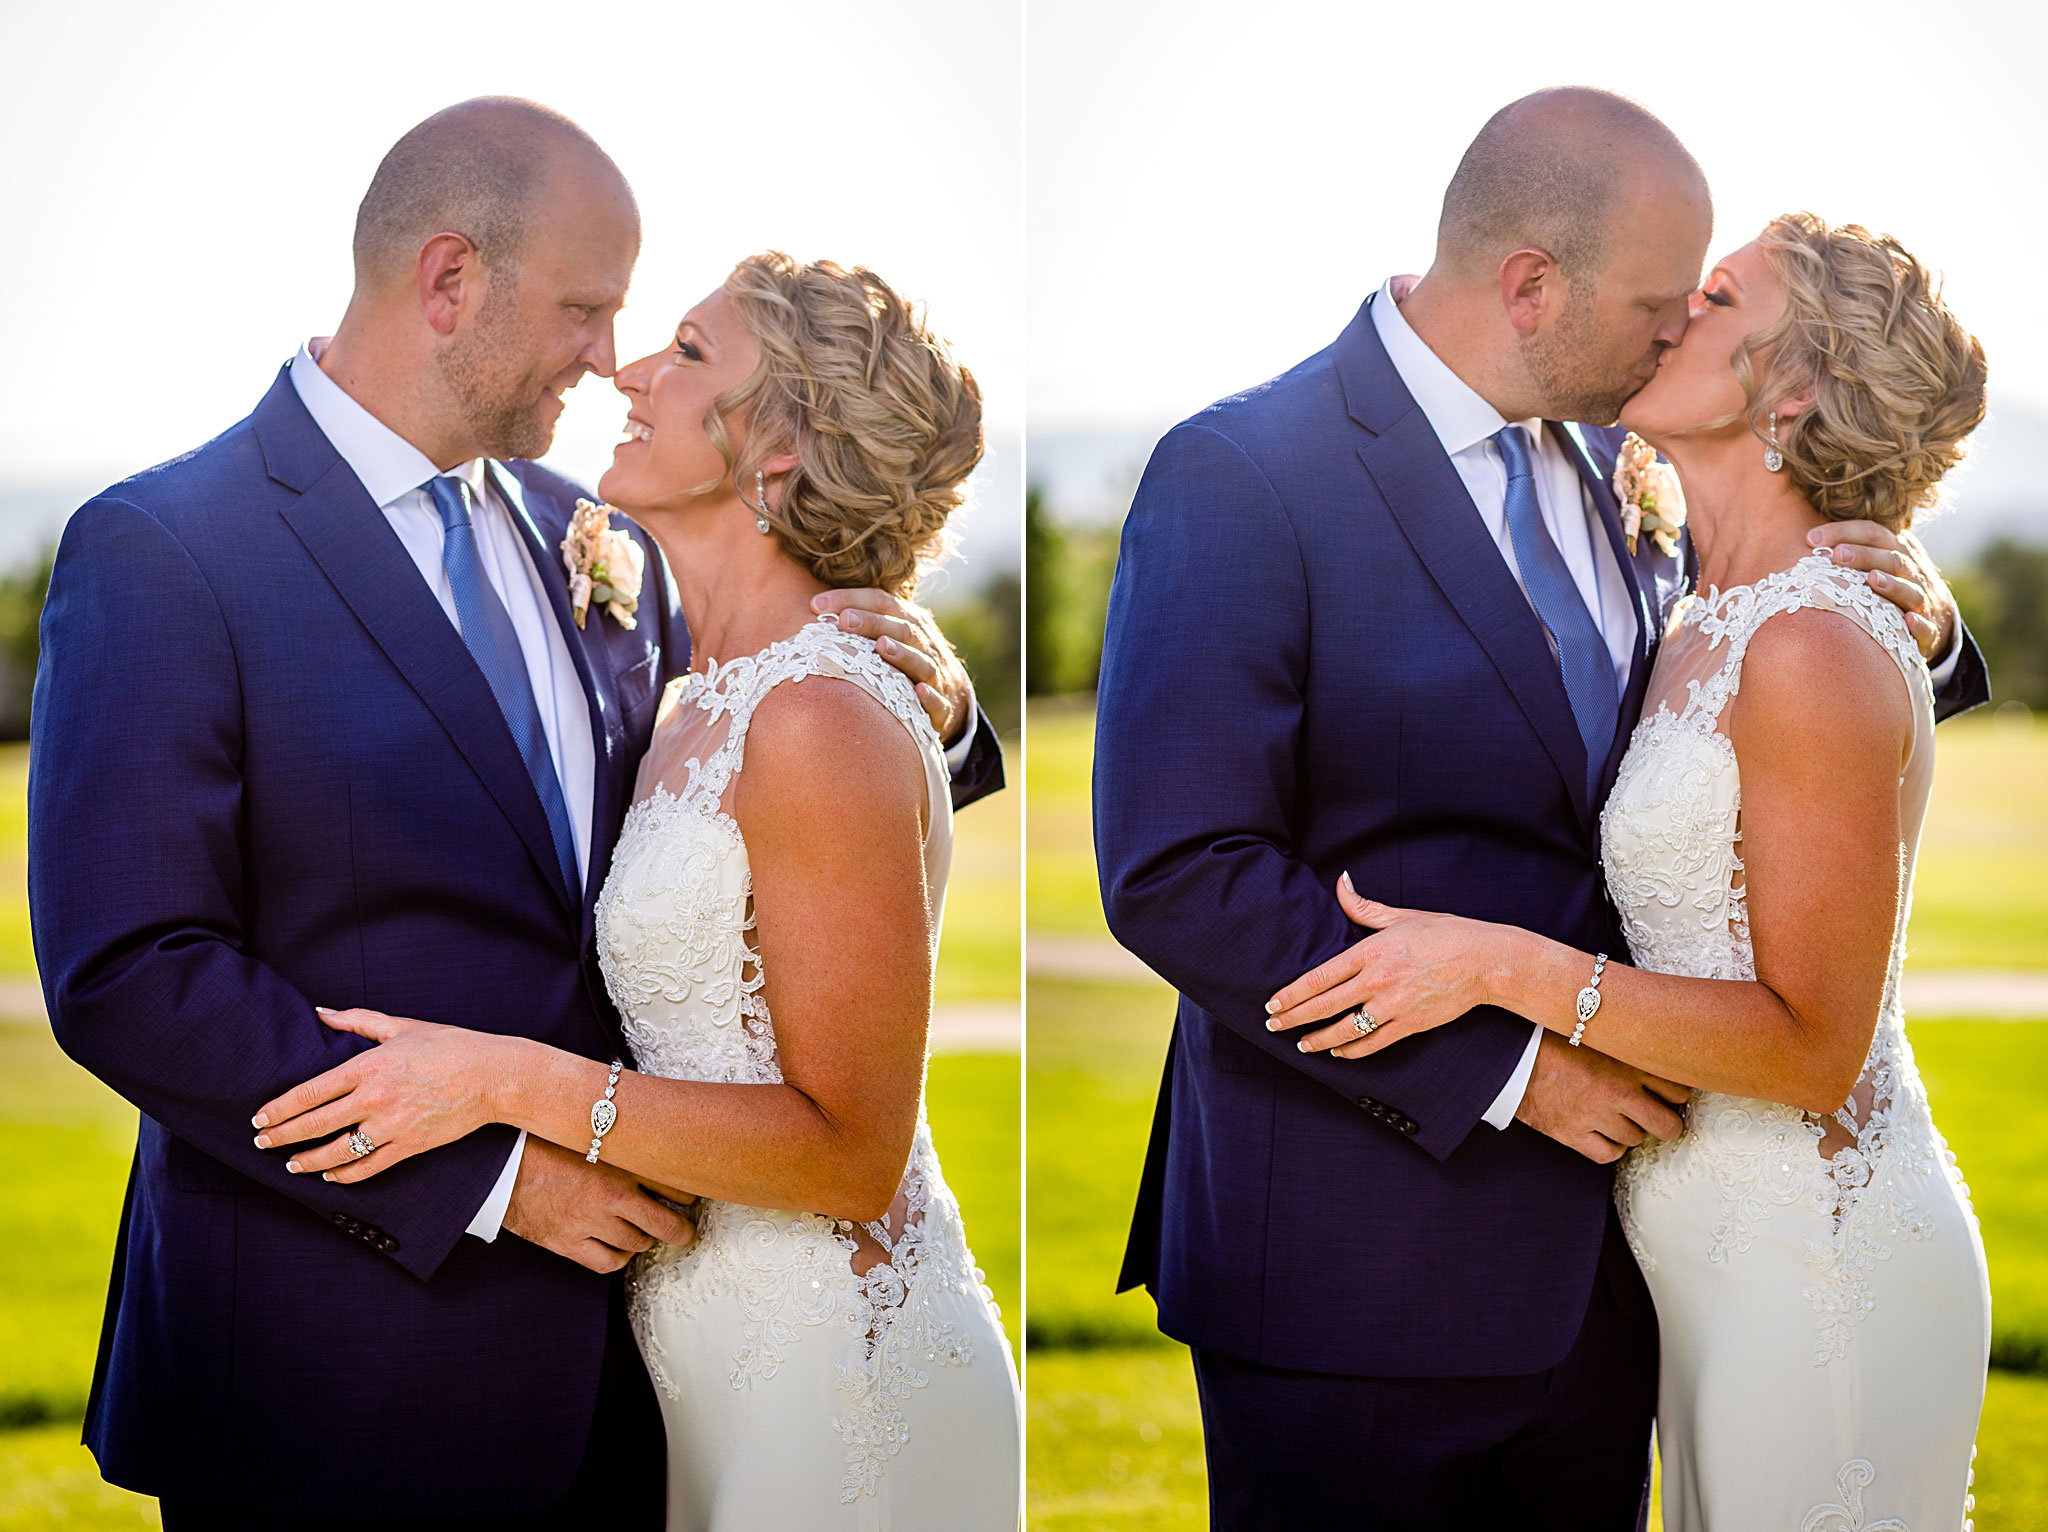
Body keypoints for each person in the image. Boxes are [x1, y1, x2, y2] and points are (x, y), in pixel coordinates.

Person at [29, 98, 1001, 1528]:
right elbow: (130, 974)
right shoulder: (168, 549)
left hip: (637, 1373)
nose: (610, 360)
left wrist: (942, 713)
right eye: (586, 310)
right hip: (333, 1367)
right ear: (448, 282)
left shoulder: (596, 537)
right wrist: (497, 1174)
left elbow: (762, 770)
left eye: (644, 328)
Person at [1091, 88, 1988, 1529]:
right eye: (1660, 302)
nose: (1673, 327)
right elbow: (1179, 871)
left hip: (1622, 1286)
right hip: (1350, 1275)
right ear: (1531, 286)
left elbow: (1778, 692)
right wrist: (1511, 1068)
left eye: (1705, 303)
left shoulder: (1624, 467)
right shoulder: (1246, 474)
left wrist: (1922, 632)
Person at [253, 252, 1024, 1530]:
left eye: (687, 350)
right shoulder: (673, 680)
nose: (627, 368)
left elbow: (849, 1149)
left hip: (833, 1370)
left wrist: (498, 1078)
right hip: (689, 1360)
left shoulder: (816, 710)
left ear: (779, 445)